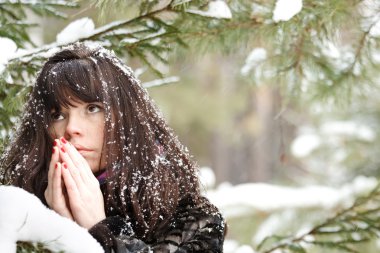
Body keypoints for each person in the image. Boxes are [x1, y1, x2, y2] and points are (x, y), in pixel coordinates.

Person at [0, 42, 225, 252]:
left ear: (128, 116)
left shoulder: (196, 221)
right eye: (57, 114)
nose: (71, 128)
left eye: (92, 108)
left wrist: (103, 230)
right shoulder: (12, 206)